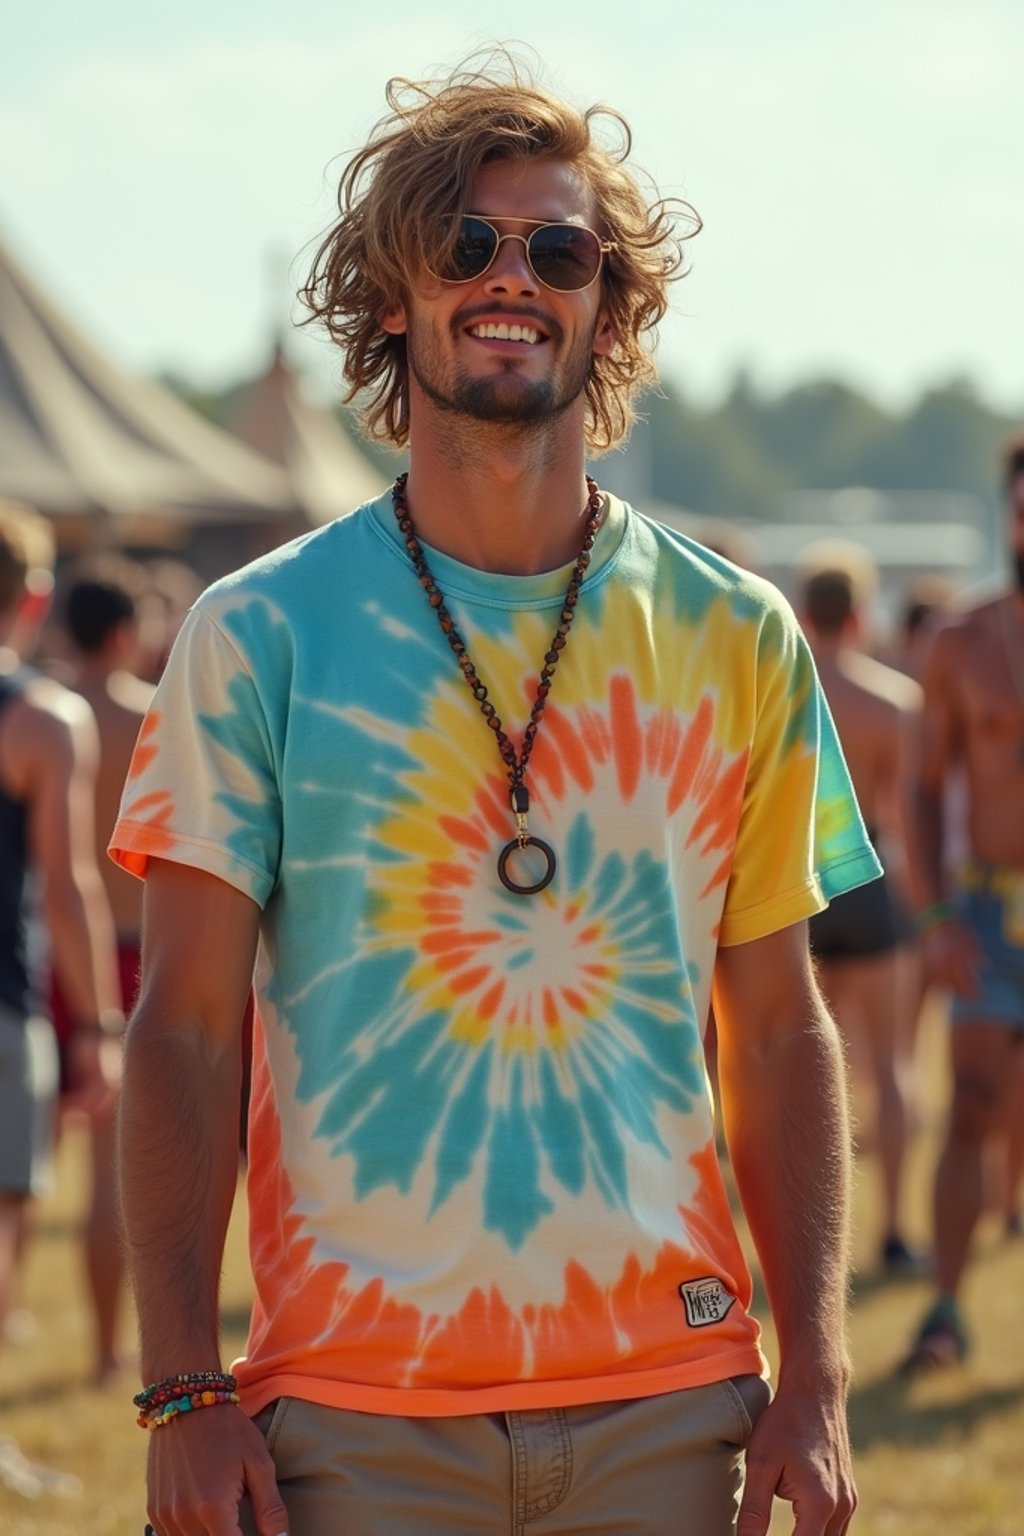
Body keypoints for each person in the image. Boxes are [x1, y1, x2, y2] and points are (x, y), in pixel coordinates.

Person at [114, 59, 879, 1536]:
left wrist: (820, 1374)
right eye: (466, 243)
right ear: (391, 296)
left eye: (560, 250)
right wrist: (182, 1390)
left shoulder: (738, 633)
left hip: (670, 1404)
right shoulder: (256, 632)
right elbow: (188, 1029)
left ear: (610, 306)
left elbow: (781, 1028)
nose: (511, 276)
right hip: (350, 1415)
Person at [0, 501, 121, 1493]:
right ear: (31, 595)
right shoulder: (42, 720)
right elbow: (69, 880)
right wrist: (101, 1028)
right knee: (5, 1222)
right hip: (6, 1004)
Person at [900, 435, 1024, 1372]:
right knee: (970, 1104)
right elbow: (916, 787)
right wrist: (936, 918)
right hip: (984, 911)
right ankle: (944, 1309)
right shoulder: (964, 641)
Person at [797, 549, 924, 1275]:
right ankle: (897, 1229)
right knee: (893, 1065)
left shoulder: (785, 688)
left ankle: (813, 1243)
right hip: (871, 882)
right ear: (858, 614)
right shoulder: (895, 702)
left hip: (802, 883)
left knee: (805, 1066)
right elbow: (903, 821)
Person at [50, 557, 155, 1381]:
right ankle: (103, 1350)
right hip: (125, 953)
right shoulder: (152, 718)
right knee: (108, 1175)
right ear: (124, 633)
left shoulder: (37, 714)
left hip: (38, 949)